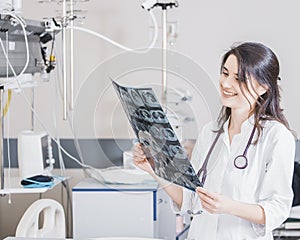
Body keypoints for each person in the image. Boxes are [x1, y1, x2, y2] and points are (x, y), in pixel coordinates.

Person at [133, 42, 296, 239]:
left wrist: (229, 207)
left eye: (239, 78)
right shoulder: (210, 132)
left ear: (262, 87)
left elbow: (278, 209)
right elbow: (190, 199)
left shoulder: (276, 137)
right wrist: (154, 168)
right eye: (225, 73)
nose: (226, 84)